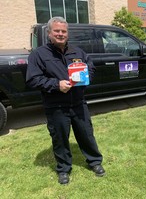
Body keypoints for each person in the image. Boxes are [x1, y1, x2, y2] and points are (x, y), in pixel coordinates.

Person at [26, 16, 105, 185]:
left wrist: (84, 80)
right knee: (60, 138)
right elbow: (32, 79)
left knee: (86, 134)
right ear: (49, 33)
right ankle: (63, 169)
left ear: (67, 33)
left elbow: (91, 67)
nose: (60, 34)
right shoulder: (38, 54)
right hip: (56, 106)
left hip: (78, 103)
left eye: (64, 31)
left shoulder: (78, 52)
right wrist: (56, 84)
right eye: (57, 31)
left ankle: (95, 161)